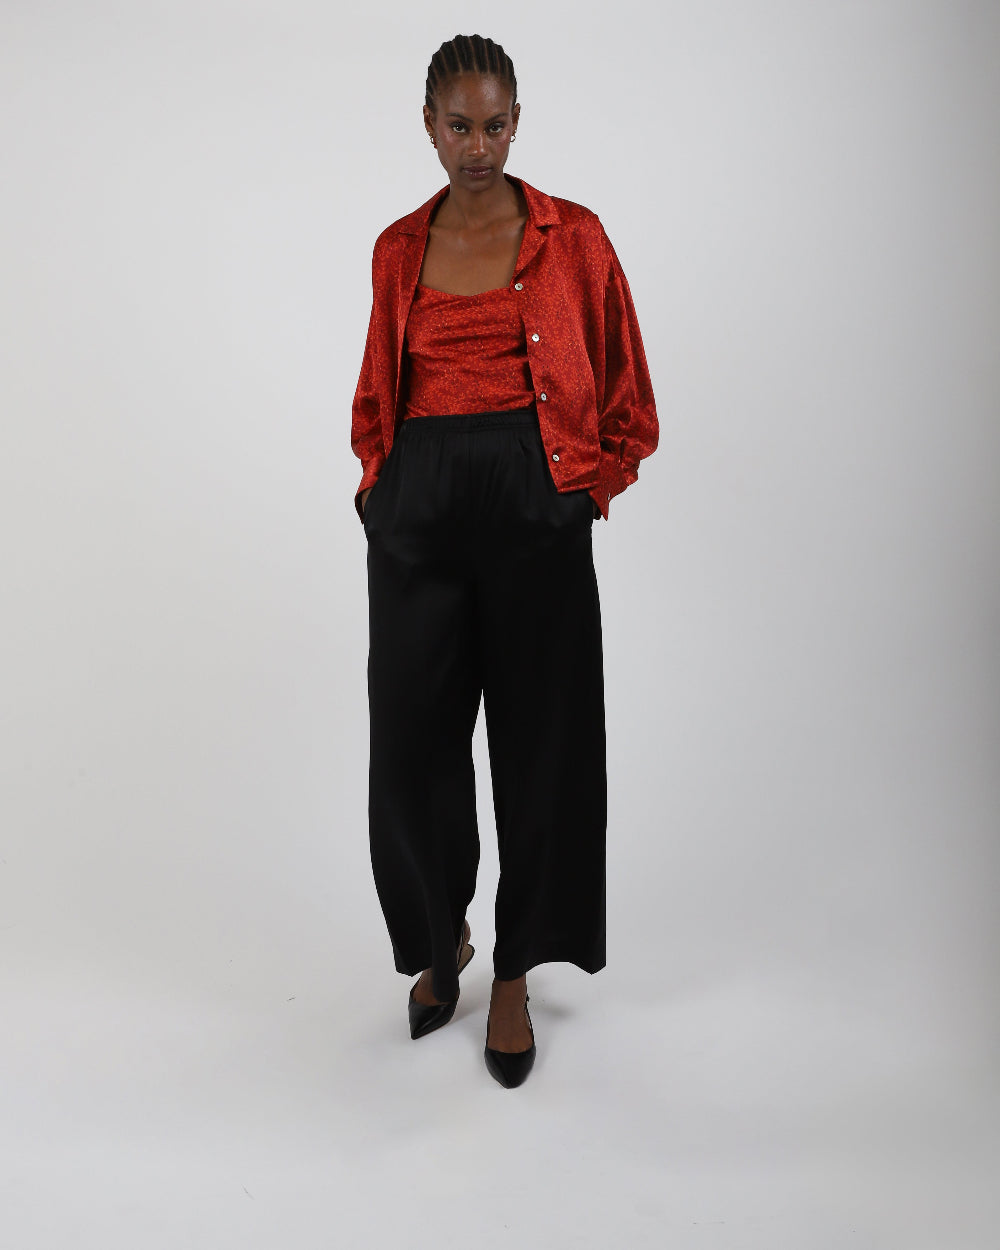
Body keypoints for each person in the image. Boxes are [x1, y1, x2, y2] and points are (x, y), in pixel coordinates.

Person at [351, 33, 657, 1088]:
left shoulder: (573, 236)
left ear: (516, 122)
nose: (476, 145)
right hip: (421, 507)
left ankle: (517, 968)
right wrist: (380, 493)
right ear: (428, 127)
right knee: (412, 739)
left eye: (493, 124)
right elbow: (375, 391)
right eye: (458, 126)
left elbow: (626, 385)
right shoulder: (398, 248)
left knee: (543, 741)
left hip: (536, 499)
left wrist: (583, 491)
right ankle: (444, 938)